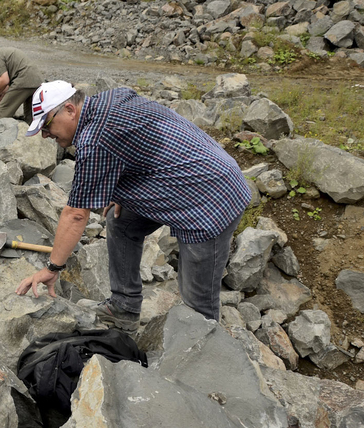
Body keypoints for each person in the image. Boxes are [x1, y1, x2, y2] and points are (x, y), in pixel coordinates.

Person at [15, 81, 251, 332]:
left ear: (70, 110)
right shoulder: (110, 99)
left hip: (209, 198)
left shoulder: (94, 139)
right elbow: (142, 139)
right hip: (199, 173)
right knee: (121, 221)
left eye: (47, 124)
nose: (45, 134)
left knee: (198, 306)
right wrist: (124, 186)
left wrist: (53, 268)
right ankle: (123, 308)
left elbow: (75, 215)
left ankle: (205, 354)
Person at [0, 44, 43, 124]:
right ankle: (32, 133)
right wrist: (2, 93)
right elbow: (9, 79)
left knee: (2, 111)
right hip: (37, 81)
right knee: (30, 114)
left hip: (23, 81)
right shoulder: (5, 51)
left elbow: (4, 80)